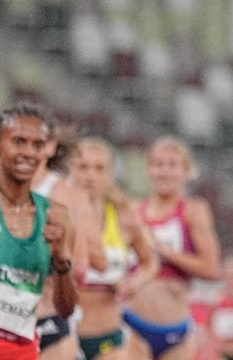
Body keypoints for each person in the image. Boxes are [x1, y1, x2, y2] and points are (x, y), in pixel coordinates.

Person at [0, 102, 78, 359]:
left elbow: (65, 309)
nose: (28, 153)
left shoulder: (57, 216)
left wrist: (62, 261)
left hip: (20, 351)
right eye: (18, 142)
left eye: (37, 145)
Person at [123, 135, 221, 360]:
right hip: (133, 323)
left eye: (172, 165)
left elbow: (212, 269)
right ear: (148, 170)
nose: (164, 172)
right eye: (158, 165)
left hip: (175, 331)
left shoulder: (193, 210)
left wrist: (165, 252)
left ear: (186, 171)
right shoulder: (133, 211)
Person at [70, 137, 157, 360]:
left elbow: (150, 262)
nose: (90, 176)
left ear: (110, 175)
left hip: (105, 333)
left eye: (99, 168)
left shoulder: (123, 216)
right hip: (62, 334)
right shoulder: (55, 211)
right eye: (83, 167)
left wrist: (134, 283)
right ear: (71, 169)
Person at [31, 125, 107, 359]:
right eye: (17, 142)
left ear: (51, 147)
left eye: (33, 143)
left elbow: (83, 265)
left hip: (51, 317)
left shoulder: (68, 196)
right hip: (3, 319)